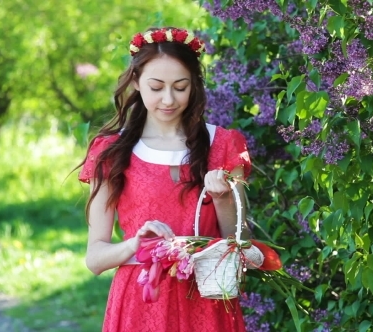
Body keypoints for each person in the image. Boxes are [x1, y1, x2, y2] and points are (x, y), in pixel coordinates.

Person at [77, 27, 251, 332]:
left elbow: (242, 243)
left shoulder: (223, 145)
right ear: (136, 82)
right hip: (141, 303)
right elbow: (95, 258)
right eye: (156, 87)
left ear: (194, 85)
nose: (168, 99)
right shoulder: (111, 152)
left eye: (180, 87)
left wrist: (222, 198)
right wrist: (136, 244)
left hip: (208, 299)